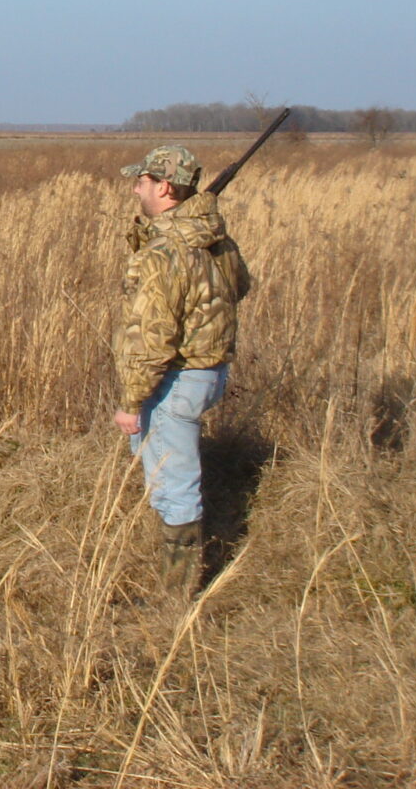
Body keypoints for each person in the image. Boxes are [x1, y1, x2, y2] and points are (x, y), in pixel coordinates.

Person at [112, 145, 252, 596]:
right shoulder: (212, 235)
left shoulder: (166, 249)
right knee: (166, 473)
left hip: (175, 378)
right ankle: (177, 581)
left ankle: (176, 596)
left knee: (174, 486)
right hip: (210, 372)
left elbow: (150, 339)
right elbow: (240, 285)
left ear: (165, 188)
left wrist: (131, 403)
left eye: (143, 181)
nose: (136, 188)